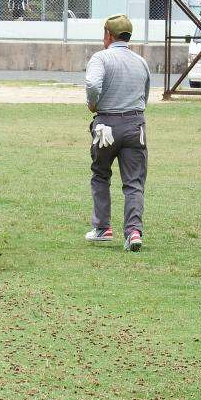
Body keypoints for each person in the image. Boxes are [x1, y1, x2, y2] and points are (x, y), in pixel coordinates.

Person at [84, 13, 151, 252]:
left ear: (107, 35)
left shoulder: (101, 58)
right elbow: (145, 94)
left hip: (106, 126)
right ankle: (133, 232)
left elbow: (92, 85)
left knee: (101, 174)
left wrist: (93, 103)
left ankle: (102, 227)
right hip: (136, 124)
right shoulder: (140, 61)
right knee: (134, 182)